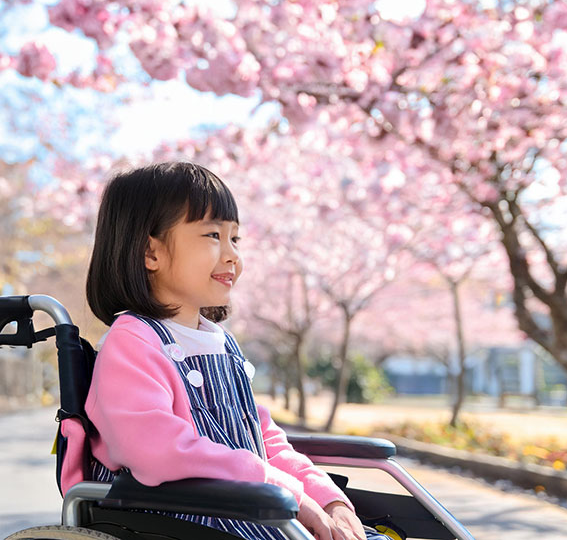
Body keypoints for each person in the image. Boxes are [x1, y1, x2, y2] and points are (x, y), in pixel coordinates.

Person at [81, 162, 381, 540]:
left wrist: (326, 497)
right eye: (212, 235)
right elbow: (157, 451)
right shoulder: (134, 342)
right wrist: (283, 491)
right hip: (183, 522)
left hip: (255, 511)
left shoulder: (221, 343)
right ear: (149, 252)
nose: (232, 256)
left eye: (235, 239)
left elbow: (264, 440)